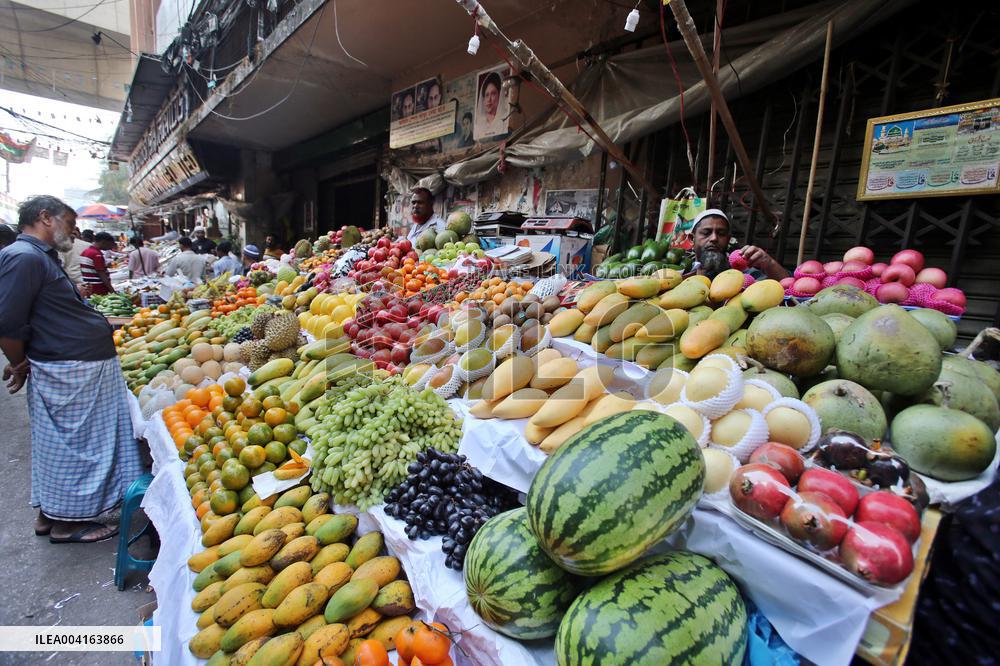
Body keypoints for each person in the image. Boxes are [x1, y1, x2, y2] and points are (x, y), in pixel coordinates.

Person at [0, 195, 144, 543]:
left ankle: (50, 516)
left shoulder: (37, 257)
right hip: (69, 368)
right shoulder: (23, 257)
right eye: (68, 221)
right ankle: (70, 524)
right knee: (78, 449)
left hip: (72, 364)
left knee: (64, 447)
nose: (74, 230)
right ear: (46, 218)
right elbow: (6, 320)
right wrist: (17, 363)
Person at [690, 209, 789, 281]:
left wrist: (769, 263)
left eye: (721, 233)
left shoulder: (743, 275)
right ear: (691, 239)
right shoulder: (680, 270)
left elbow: (788, 287)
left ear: (728, 239)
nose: (714, 238)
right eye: (706, 232)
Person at [80, 231, 116, 296]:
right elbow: (102, 275)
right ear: (103, 242)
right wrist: (112, 290)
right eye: (109, 244)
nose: (110, 247)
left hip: (90, 286)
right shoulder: (97, 255)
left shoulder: (86, 251)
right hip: (99, 288)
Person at [476, 71, 507, 138]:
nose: (489, 99)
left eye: (493, 94)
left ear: (500, 94)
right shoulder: (479, 124)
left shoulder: (506, 119)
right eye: (487, 95)